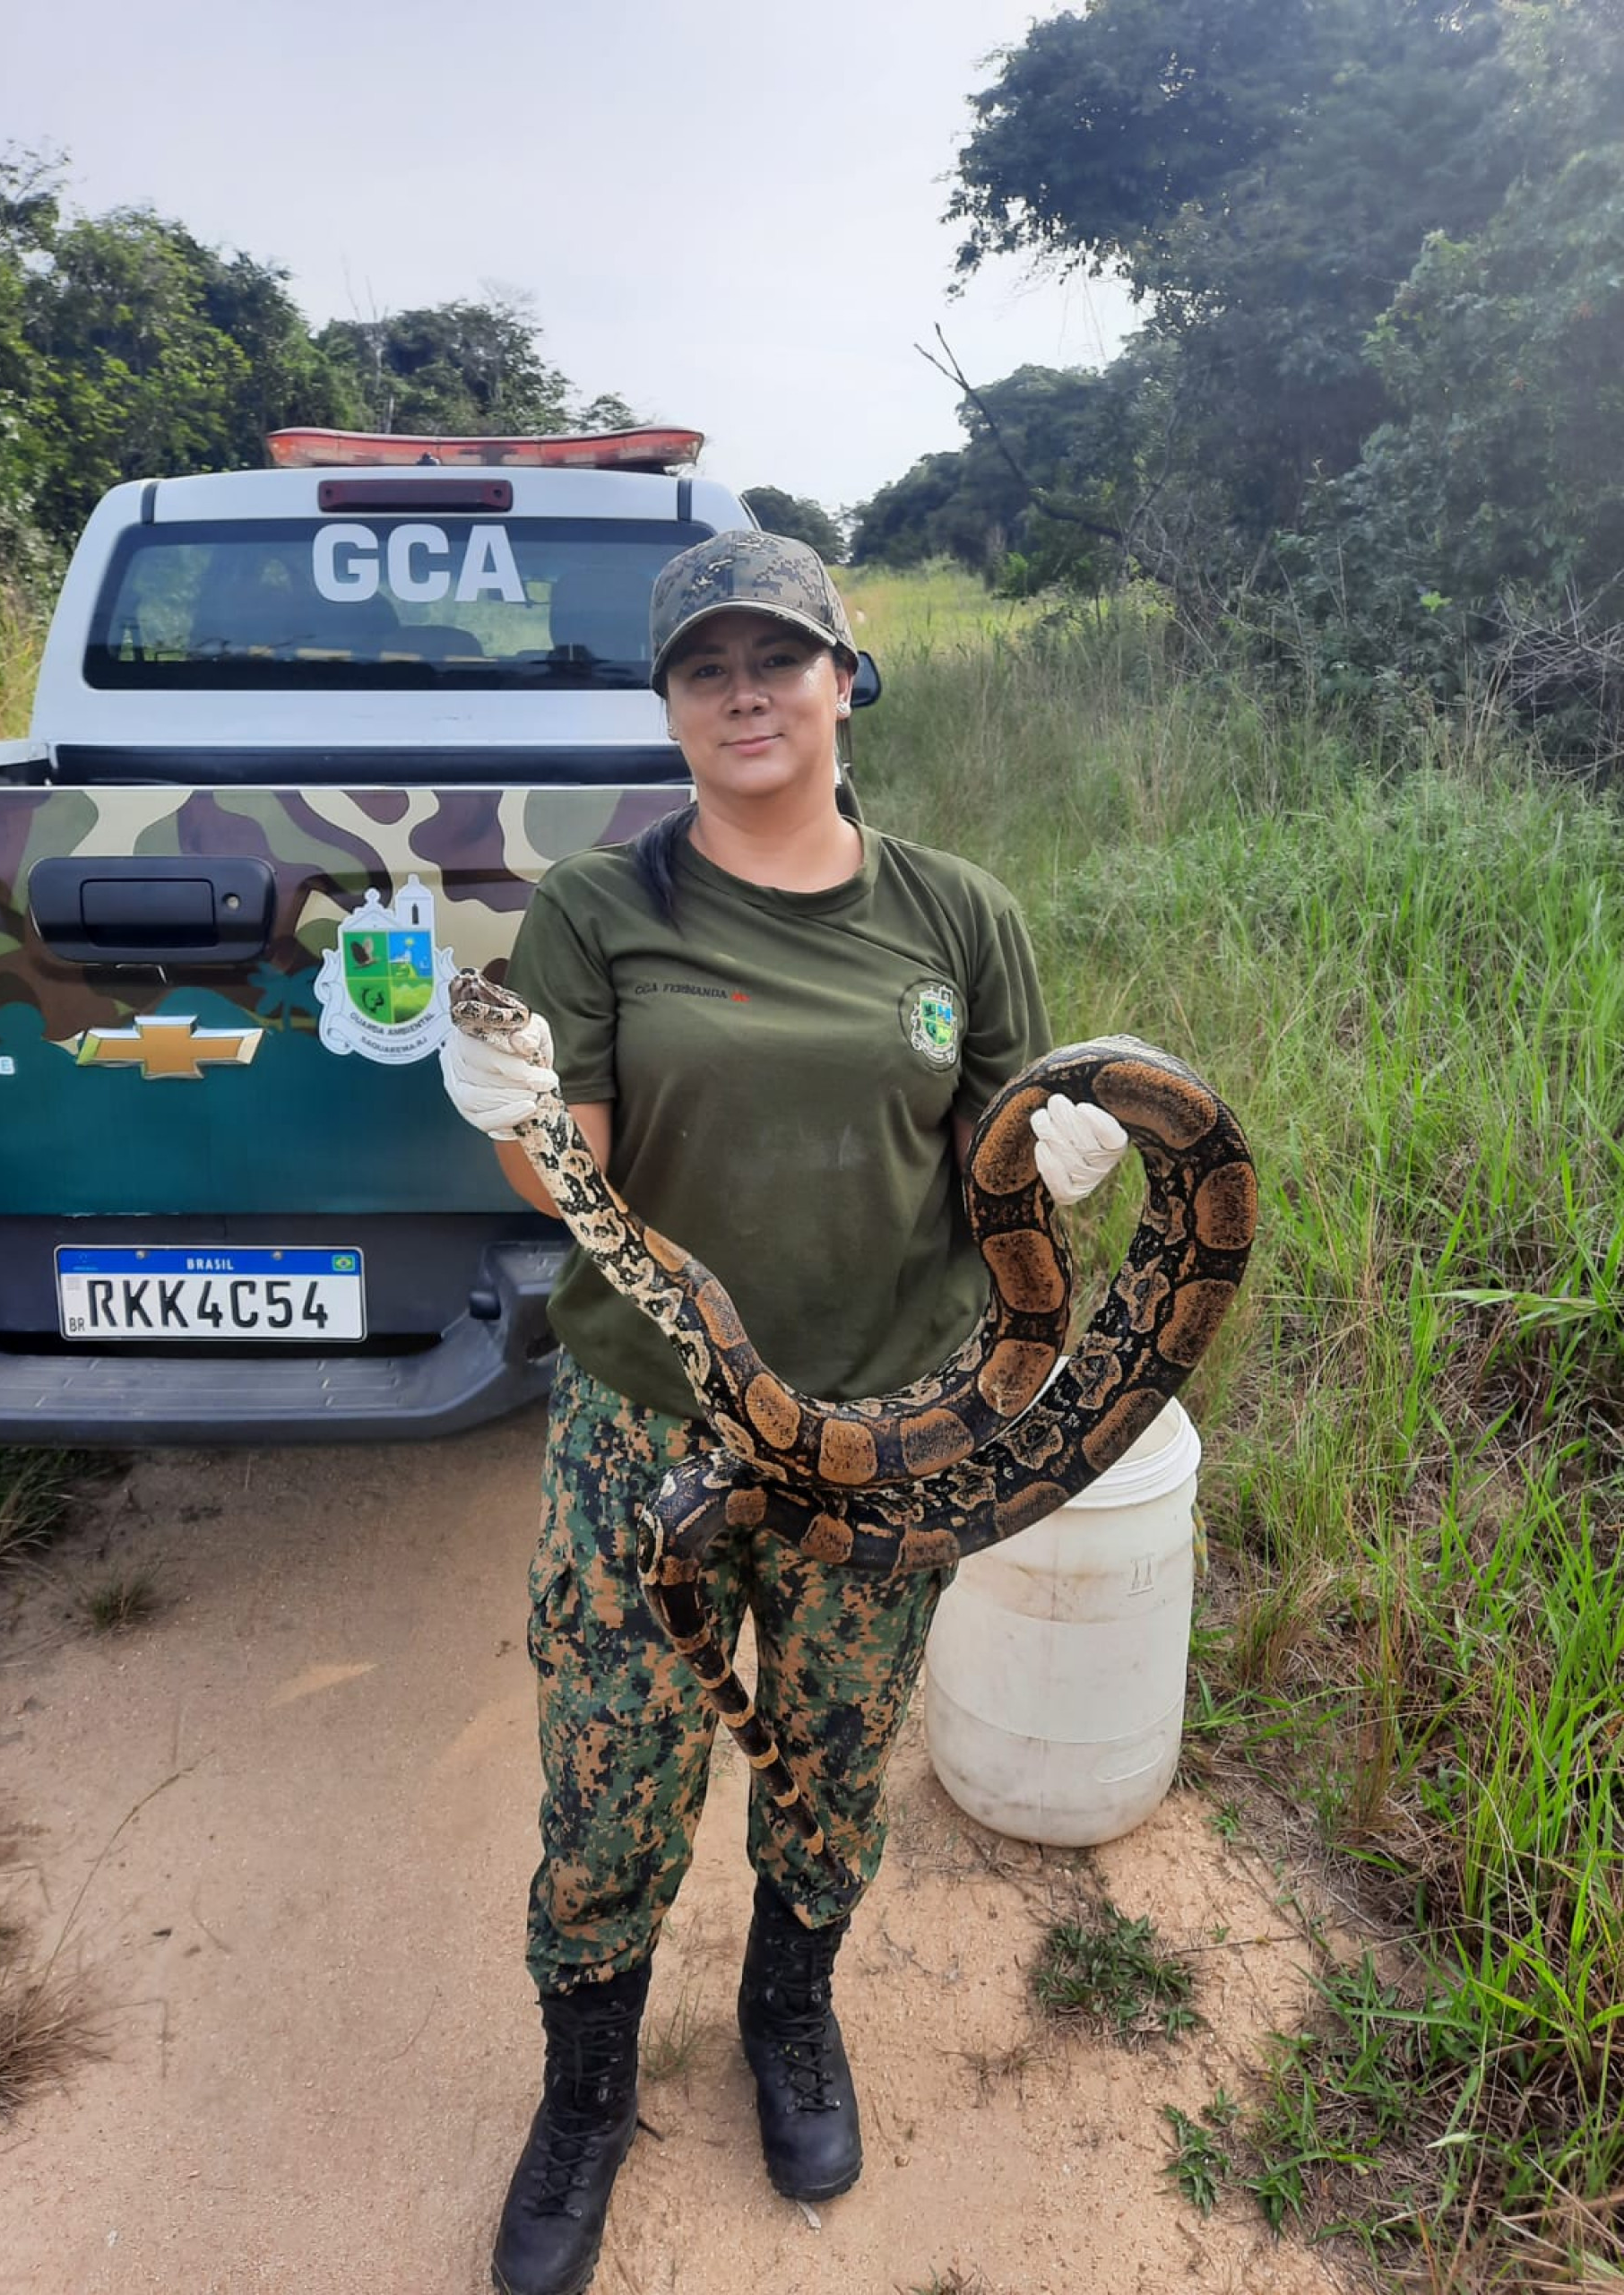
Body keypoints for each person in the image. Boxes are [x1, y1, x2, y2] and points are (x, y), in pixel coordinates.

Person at [441, 531, 1127, 2295]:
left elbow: (994, 1170)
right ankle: (586, 2089)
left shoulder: (958, 913)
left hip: (889, 1422)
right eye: (706, 667)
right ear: (671, 705)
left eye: (777, 657)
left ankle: (790, 2013)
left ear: (842, 677)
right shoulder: (601, 909)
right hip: (652, 1419)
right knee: (612, 1778)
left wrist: (1055, 1160)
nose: (744, 692)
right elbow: (576, 1179)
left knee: (830, 1751)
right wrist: (516, 1113)